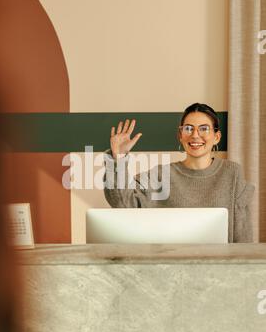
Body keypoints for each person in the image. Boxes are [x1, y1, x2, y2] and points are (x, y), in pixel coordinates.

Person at [103, 103, 255, 243]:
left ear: (216, 137)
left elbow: (243, 236)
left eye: (204, 128)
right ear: (180, 135)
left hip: (218, 267)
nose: (195, 135)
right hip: (169, 266)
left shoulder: (232, 173)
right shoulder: (160, 175)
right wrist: (119, 158)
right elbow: (122, 203)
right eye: (188, 128)